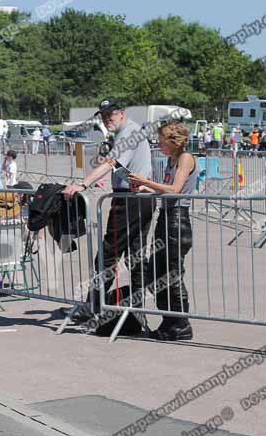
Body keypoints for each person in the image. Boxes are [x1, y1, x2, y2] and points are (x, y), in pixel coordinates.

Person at [63, 97, 155, 320]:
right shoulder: (128, 131)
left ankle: (95, 305)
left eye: (110, 115)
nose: (107, 120)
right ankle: (136, 307)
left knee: (107, 254)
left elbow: (110, 164)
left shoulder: (129, 133)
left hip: (130, 200)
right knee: (134, 254)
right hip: (137, 198)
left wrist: (83, 184)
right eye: (103, 116)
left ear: (122, 113)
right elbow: (121, 167)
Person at [127, 122, 197, 341]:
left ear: (173, 141)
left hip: (177, 219)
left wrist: (146, 181)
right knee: (156, 273)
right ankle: (170, 319)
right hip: (166, 217)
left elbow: (176, 190)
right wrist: (147, 188)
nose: (159, 145)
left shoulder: (185, 158)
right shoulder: (171, 160)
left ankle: (180, 322)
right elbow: (166, 189)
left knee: (172, 273)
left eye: (161, 141)